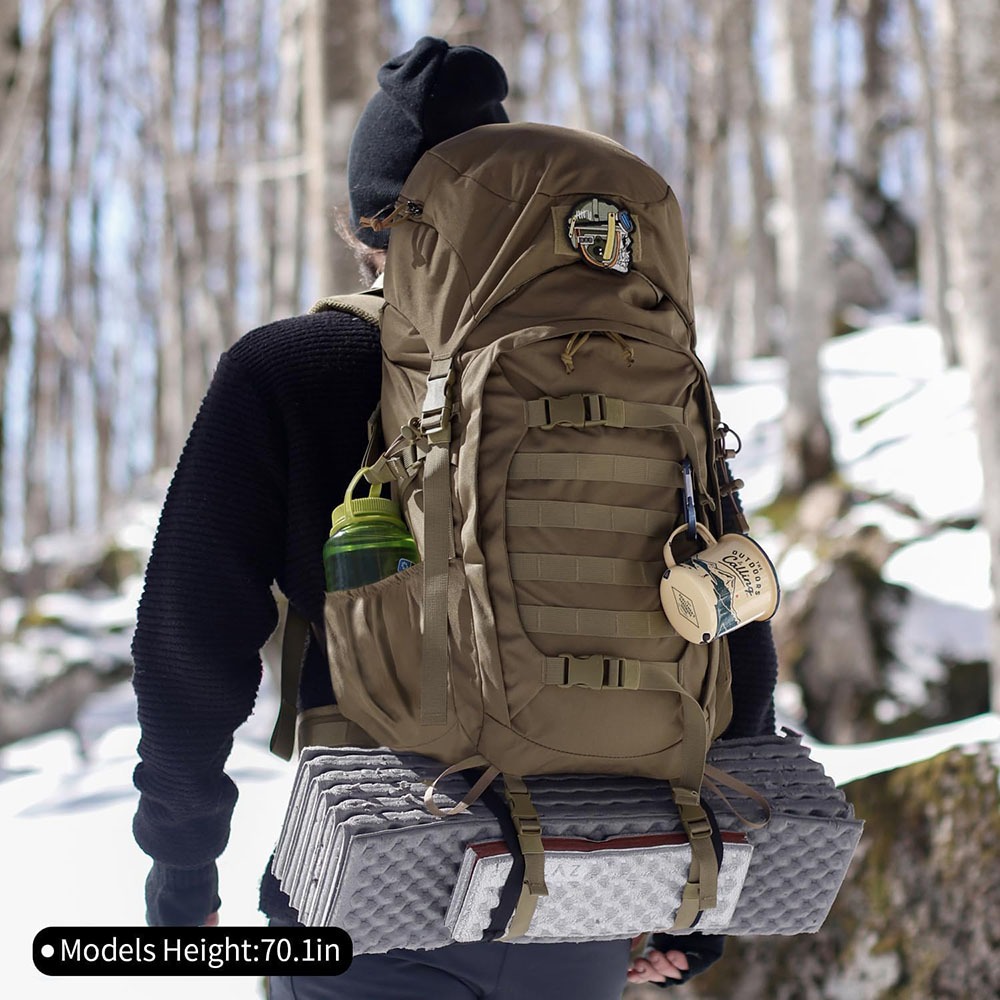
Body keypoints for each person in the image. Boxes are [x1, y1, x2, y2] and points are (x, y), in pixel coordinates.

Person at [131, 35, 779, 998]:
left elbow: (188, 644)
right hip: (590, 883)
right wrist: (708, 893)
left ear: (368, 226)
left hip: (374, 883)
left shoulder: (288, 367)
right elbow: (728, 612)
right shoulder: (633, 379)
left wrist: (182, 867)